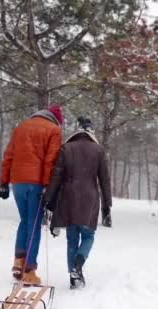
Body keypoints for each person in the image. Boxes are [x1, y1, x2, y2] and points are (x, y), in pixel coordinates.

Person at [0, 105, 63, 284]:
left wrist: (4, 182)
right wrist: (47, 185)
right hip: (36, 184)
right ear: (56, 120)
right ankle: (29, 270)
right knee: (34, 223)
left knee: (25, 220)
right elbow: (50, 161)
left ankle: (19, 261)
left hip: (17, 182)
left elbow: (8, 156)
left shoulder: (21, 127)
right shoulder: (54, 130)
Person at [44, 117, 112, 289]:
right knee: (88, 235)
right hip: (89, 199)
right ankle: (78, 265)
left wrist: (48, 200)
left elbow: (56, 176)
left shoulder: (66, 148)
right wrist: (106, 206)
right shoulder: (98, 150)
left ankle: (73, 276)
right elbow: (105, 180)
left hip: (69, 198)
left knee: (72, 239)